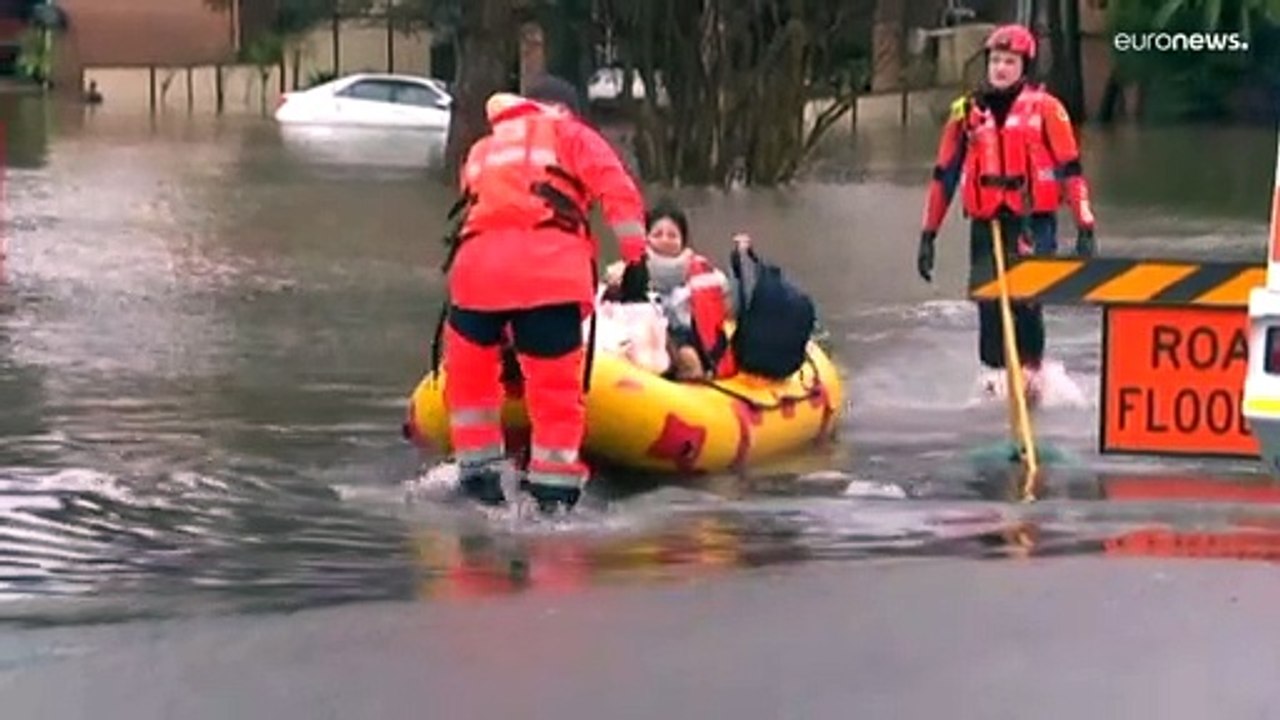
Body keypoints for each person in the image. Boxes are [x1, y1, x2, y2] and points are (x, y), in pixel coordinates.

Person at [443, 74, 650, 513]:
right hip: (548, 276)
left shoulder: (483, 149)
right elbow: (618, 191)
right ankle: (552, 500)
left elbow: (480, 210)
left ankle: (478, 480)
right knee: (555, 395)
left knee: (471, 388)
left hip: (475, 278)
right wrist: (635, 259)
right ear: (566, 110)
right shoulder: (571, 135)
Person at [915, 23, 1097, 391]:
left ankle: (1032, 374)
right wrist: (929, 234)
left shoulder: (1048, 109)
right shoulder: (966, 112)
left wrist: (1084, 225)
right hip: (987, 222)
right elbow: (944, 176)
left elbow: (1070, 170)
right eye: (995, 60)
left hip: (1033, 221)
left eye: (1009, 62)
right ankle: (996, 375)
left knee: (1027, 300)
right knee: (988, 301)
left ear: (1024, 67)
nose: (1000, 68)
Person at [603, 200, 751, 380]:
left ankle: (692, 380)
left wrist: (743, 261)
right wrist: (614, 283)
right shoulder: (628, 268)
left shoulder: (704, 271)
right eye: (658, 234)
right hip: (643, 338)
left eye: (672, 235)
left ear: (683, 240)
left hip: (688, 337)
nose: (665, 240)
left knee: (688, 356)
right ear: (647, 237)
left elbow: (730, 307)